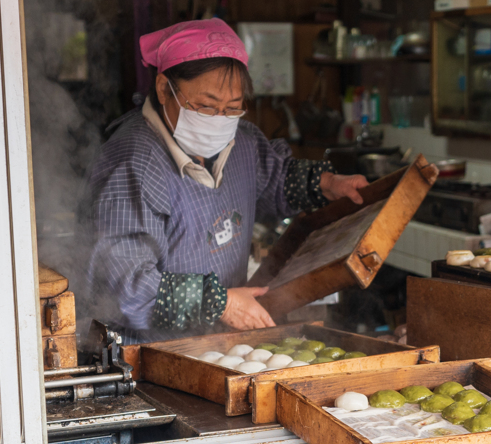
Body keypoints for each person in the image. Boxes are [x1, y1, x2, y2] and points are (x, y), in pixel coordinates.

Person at [84, 19, 367, 341]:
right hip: (147, 355)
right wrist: (219, 303)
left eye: (232, 108)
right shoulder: (132, 164)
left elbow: (273, 177)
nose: (220, 121)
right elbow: (123, 286)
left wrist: (325, 183)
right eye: (205, 106)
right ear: (164, 89)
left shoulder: (242, 141)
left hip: (216, 344)